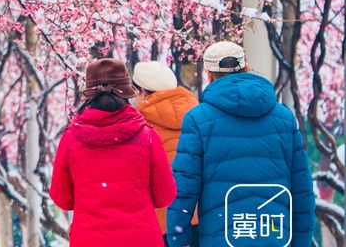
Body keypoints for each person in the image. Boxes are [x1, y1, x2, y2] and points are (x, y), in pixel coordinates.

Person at [167, 41, 315, 247]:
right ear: (245, 67)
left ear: (209, 74)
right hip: (274, 236)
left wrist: (179, 240)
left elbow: (184, 191)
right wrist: (301, 241)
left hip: (221, 238)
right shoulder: (284, 118)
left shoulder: (198, 119)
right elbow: (302, 190)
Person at [50, 58, 177, 246]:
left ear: (89, 94)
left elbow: (62, 198)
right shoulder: (147, 136)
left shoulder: (71, 139)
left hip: (89, 239)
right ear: (126, 91)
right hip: (141, 238)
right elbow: (165, 195)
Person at [132, 61, 200, 246]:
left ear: (143, 92)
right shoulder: (197, 115)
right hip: (197, 215)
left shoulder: (140, 126)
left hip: (162, 220)